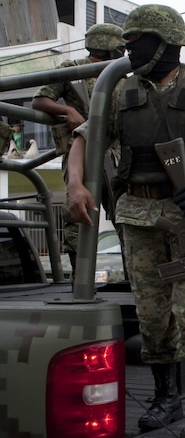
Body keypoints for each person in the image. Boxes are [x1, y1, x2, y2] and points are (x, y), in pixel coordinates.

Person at [66, 4, 185, 438]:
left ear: (167, 42)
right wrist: (75, 185)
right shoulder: (118, 91)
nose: (129, 48)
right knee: (152, 313)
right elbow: (83, 140)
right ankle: (166, 395)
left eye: (139, 41)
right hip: (138, 213)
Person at [32, 23, 127, 272]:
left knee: (125, 214)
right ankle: (81, 284)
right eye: (120, 48)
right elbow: (40, 100)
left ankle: (132, 280)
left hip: (117, 153)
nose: (124, 53)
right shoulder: (73, 70)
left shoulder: (121, 75)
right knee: (78, 213)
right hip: (80, 150)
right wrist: (68, 110)